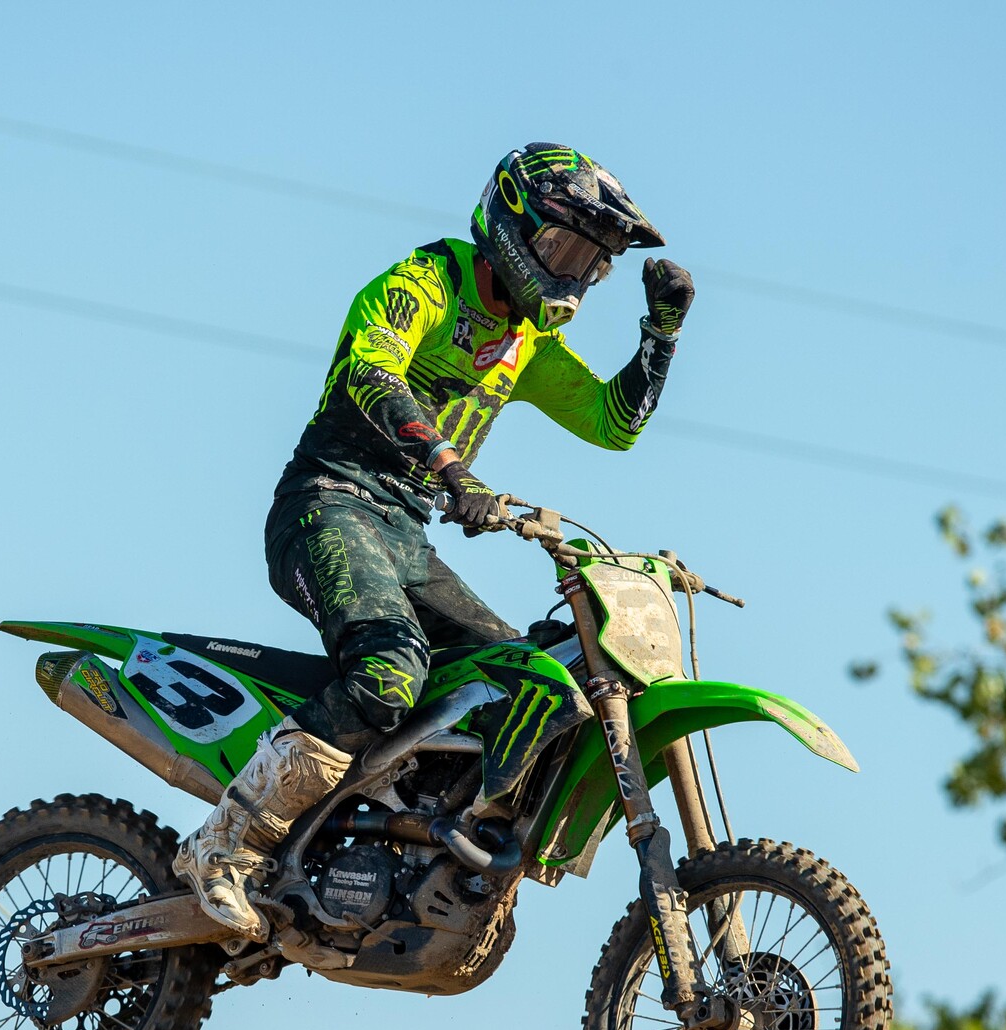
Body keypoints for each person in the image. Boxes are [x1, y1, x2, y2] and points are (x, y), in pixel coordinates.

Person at [178, 143, 694, 937]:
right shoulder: (426, 280)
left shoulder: (528, 343)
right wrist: (453, 469)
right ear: (511, 223)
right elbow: (370, 369)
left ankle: (412, 847)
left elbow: (611, 424)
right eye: (565, 248)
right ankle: (225, 843)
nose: (572, 274)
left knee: (522, 681)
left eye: (591, 263)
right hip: (330, 501)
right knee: (390, 670)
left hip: (405, 535)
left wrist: (661, 334)